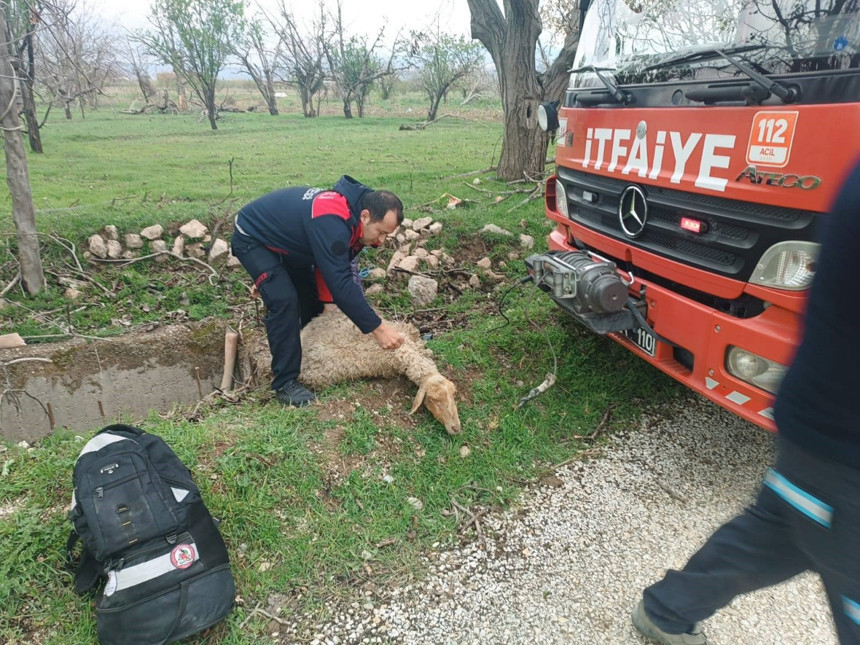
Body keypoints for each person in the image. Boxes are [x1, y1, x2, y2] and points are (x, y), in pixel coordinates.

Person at [632, 158, 860, 645]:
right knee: (795, 521)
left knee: (780, 527)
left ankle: (667, 610)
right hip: (845, 446)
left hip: (817, 423)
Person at [230, 175, 406, 407]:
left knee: (311, 303)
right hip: (255, 238)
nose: (381, 241)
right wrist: (379, 329)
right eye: (381, 232)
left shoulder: (356, 221)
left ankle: (309, 363)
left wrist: (327, 302)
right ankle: (285, 384)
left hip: (294, 244)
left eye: (387, 235)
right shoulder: (332, 218)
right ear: (365, 216)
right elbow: (341, 282)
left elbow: (331, 264)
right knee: (284, 300)